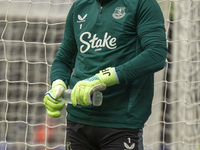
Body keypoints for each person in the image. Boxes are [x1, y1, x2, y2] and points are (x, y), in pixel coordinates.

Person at [43, 0, 167, 149]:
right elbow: (63, 59)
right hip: (77, 121)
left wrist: (101, 78)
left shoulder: (142, 3)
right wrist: (58, 84)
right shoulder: (79, 6)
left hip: (121, 123)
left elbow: (156, 54)